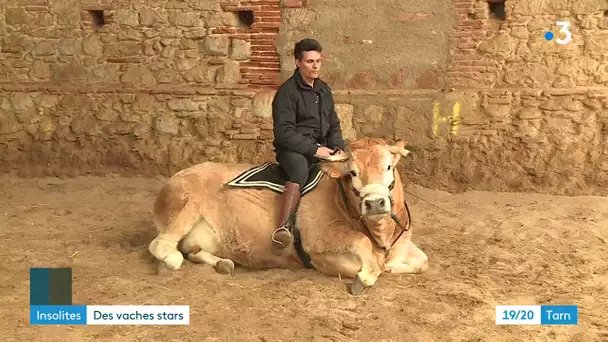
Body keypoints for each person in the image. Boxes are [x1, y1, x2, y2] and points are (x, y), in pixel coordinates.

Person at [270, 38, 346, 251]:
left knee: (349, 169)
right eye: (310, 61)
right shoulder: (287, 92)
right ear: (298, 62)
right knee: (300, 170)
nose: (315, 66)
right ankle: (283, 227)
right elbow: (284, 133)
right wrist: (315, 150)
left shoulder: (324, 90)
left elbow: (334, 124)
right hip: (292, 150)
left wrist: (337, 147)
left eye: (318, 61)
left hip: (322, 148)